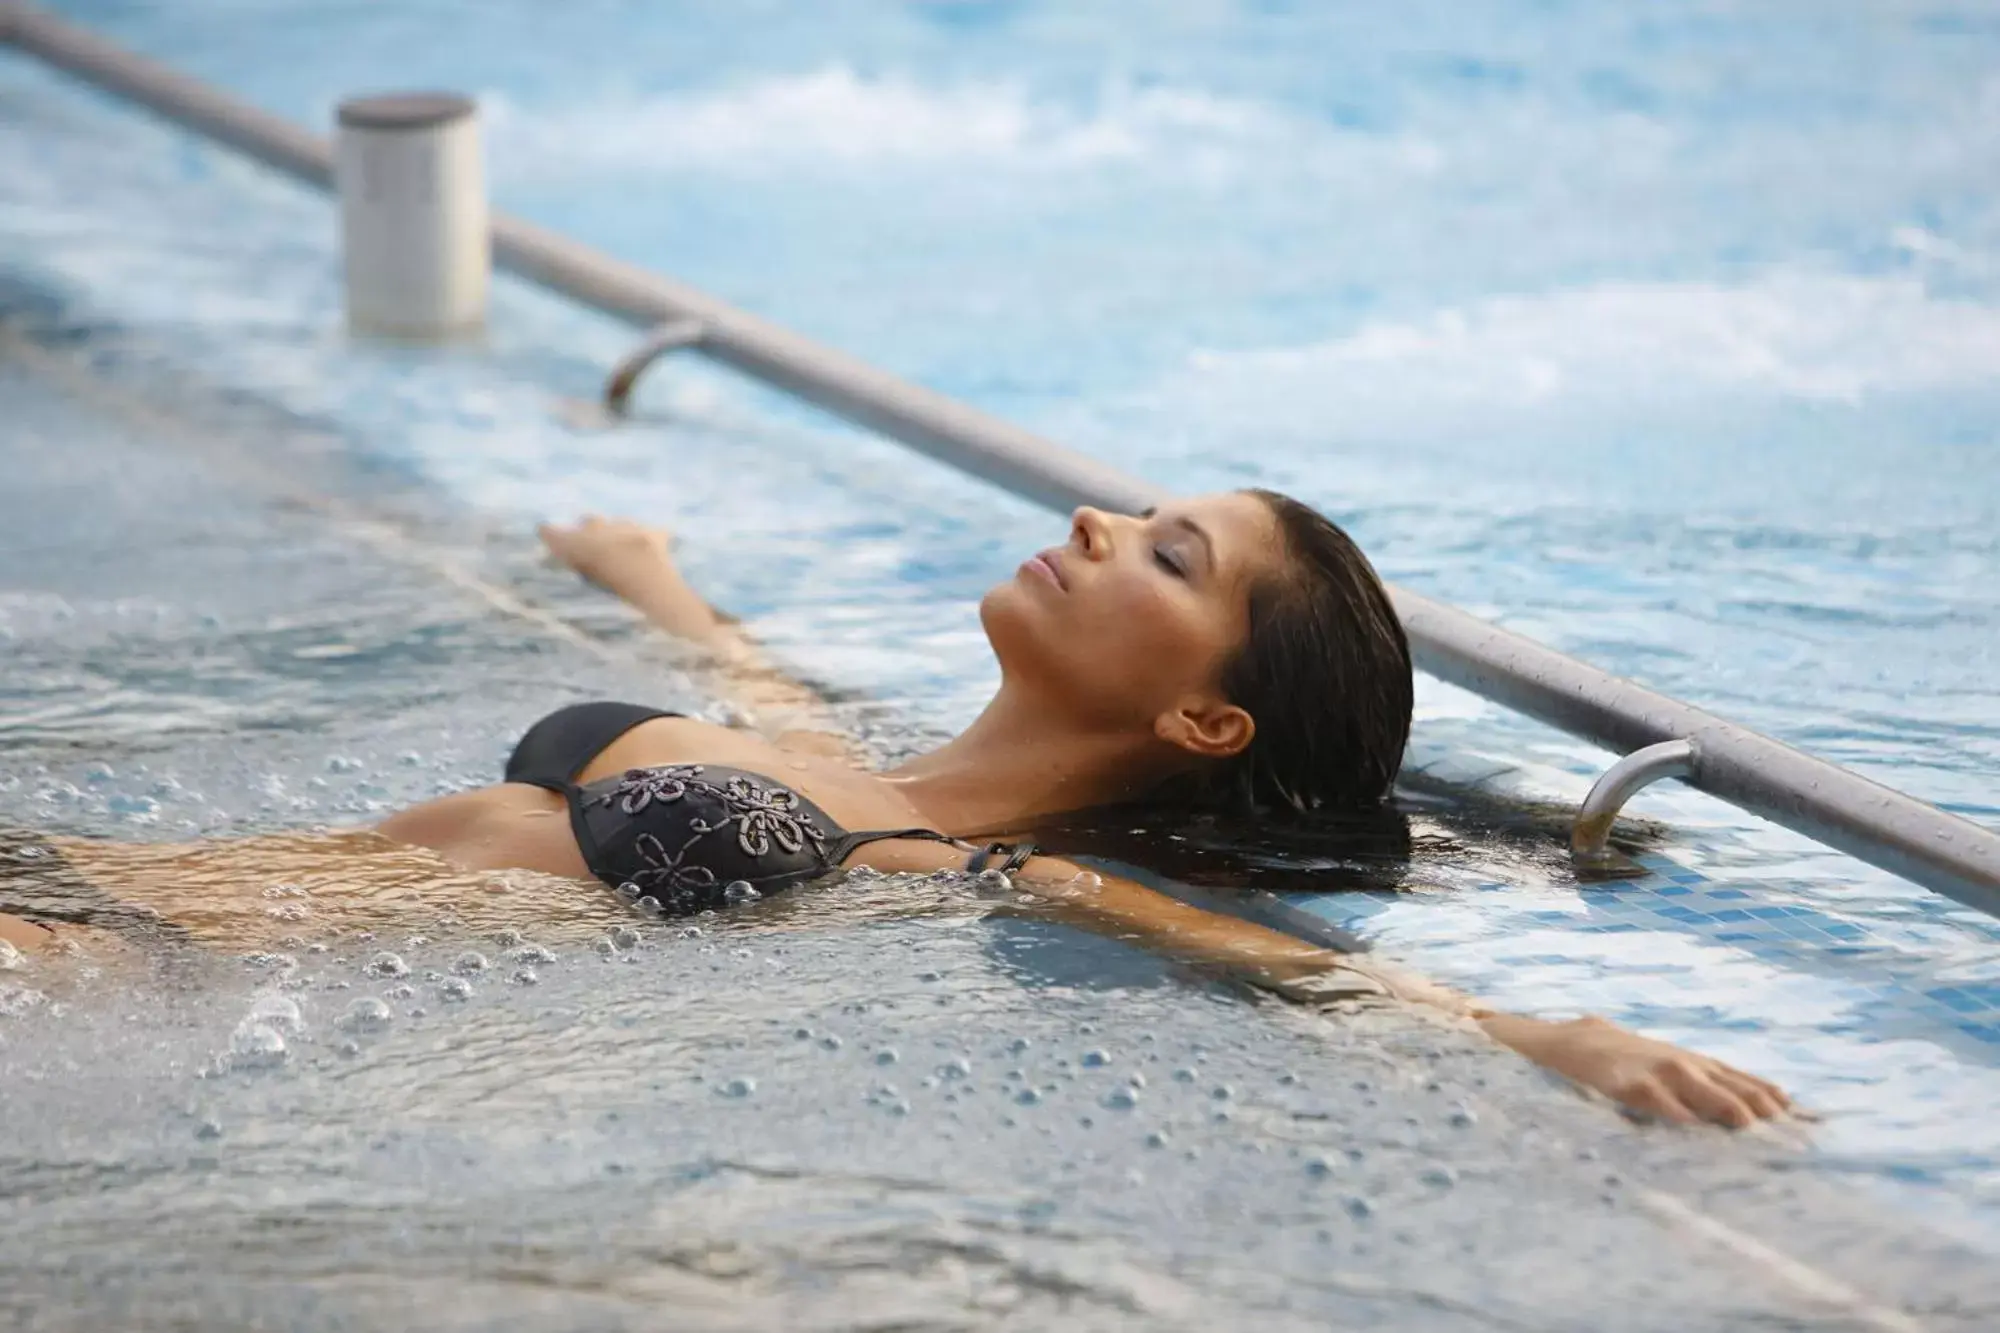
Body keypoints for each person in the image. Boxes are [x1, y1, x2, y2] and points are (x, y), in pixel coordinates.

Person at [0, 490, 1791, 1128]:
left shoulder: (972, 867)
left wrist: (1527, 1030)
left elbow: (1255, 960)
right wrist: (655, 579)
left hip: (110, 974)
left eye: (1169, 552)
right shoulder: (864, 767)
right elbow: (753, 683)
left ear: (1202, 713)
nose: (1097, 517)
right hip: (87, 886)